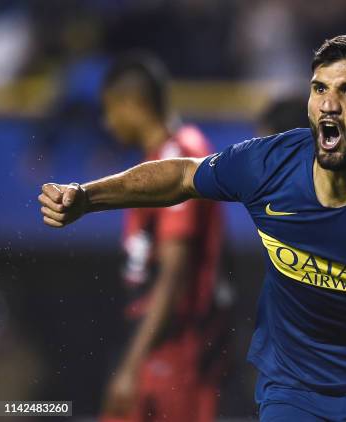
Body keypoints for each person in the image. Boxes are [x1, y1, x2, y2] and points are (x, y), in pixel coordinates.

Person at [39, 35, 346, 421]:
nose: (329, 105)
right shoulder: (270, 165)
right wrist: (87, 197)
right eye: (320, 89)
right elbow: (180, 175)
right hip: (297, 394)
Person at [97, 54, 226, 422]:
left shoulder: (179, 154)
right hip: (156, 340)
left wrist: (131, 364)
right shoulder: (160, 156)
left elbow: (175, 272)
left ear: (133, 104)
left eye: (110, 110)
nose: (108, 123)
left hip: (175, 345)